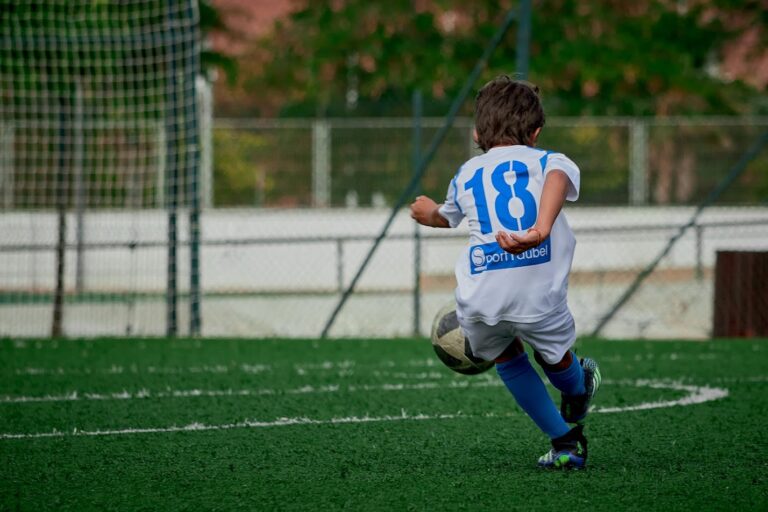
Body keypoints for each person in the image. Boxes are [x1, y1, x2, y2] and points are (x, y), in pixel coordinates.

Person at [410, 76, 601, 469]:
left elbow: (444, 218)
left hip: (481, 298)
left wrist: (425, 211)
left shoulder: (465, 174)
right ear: (536, 132)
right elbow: (557, 180)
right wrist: (540, 229)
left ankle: (566, 444)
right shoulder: (551, 160)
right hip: (539, 299)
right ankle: (579, 390)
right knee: (556, 359)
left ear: (477, 133)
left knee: (507, 357)